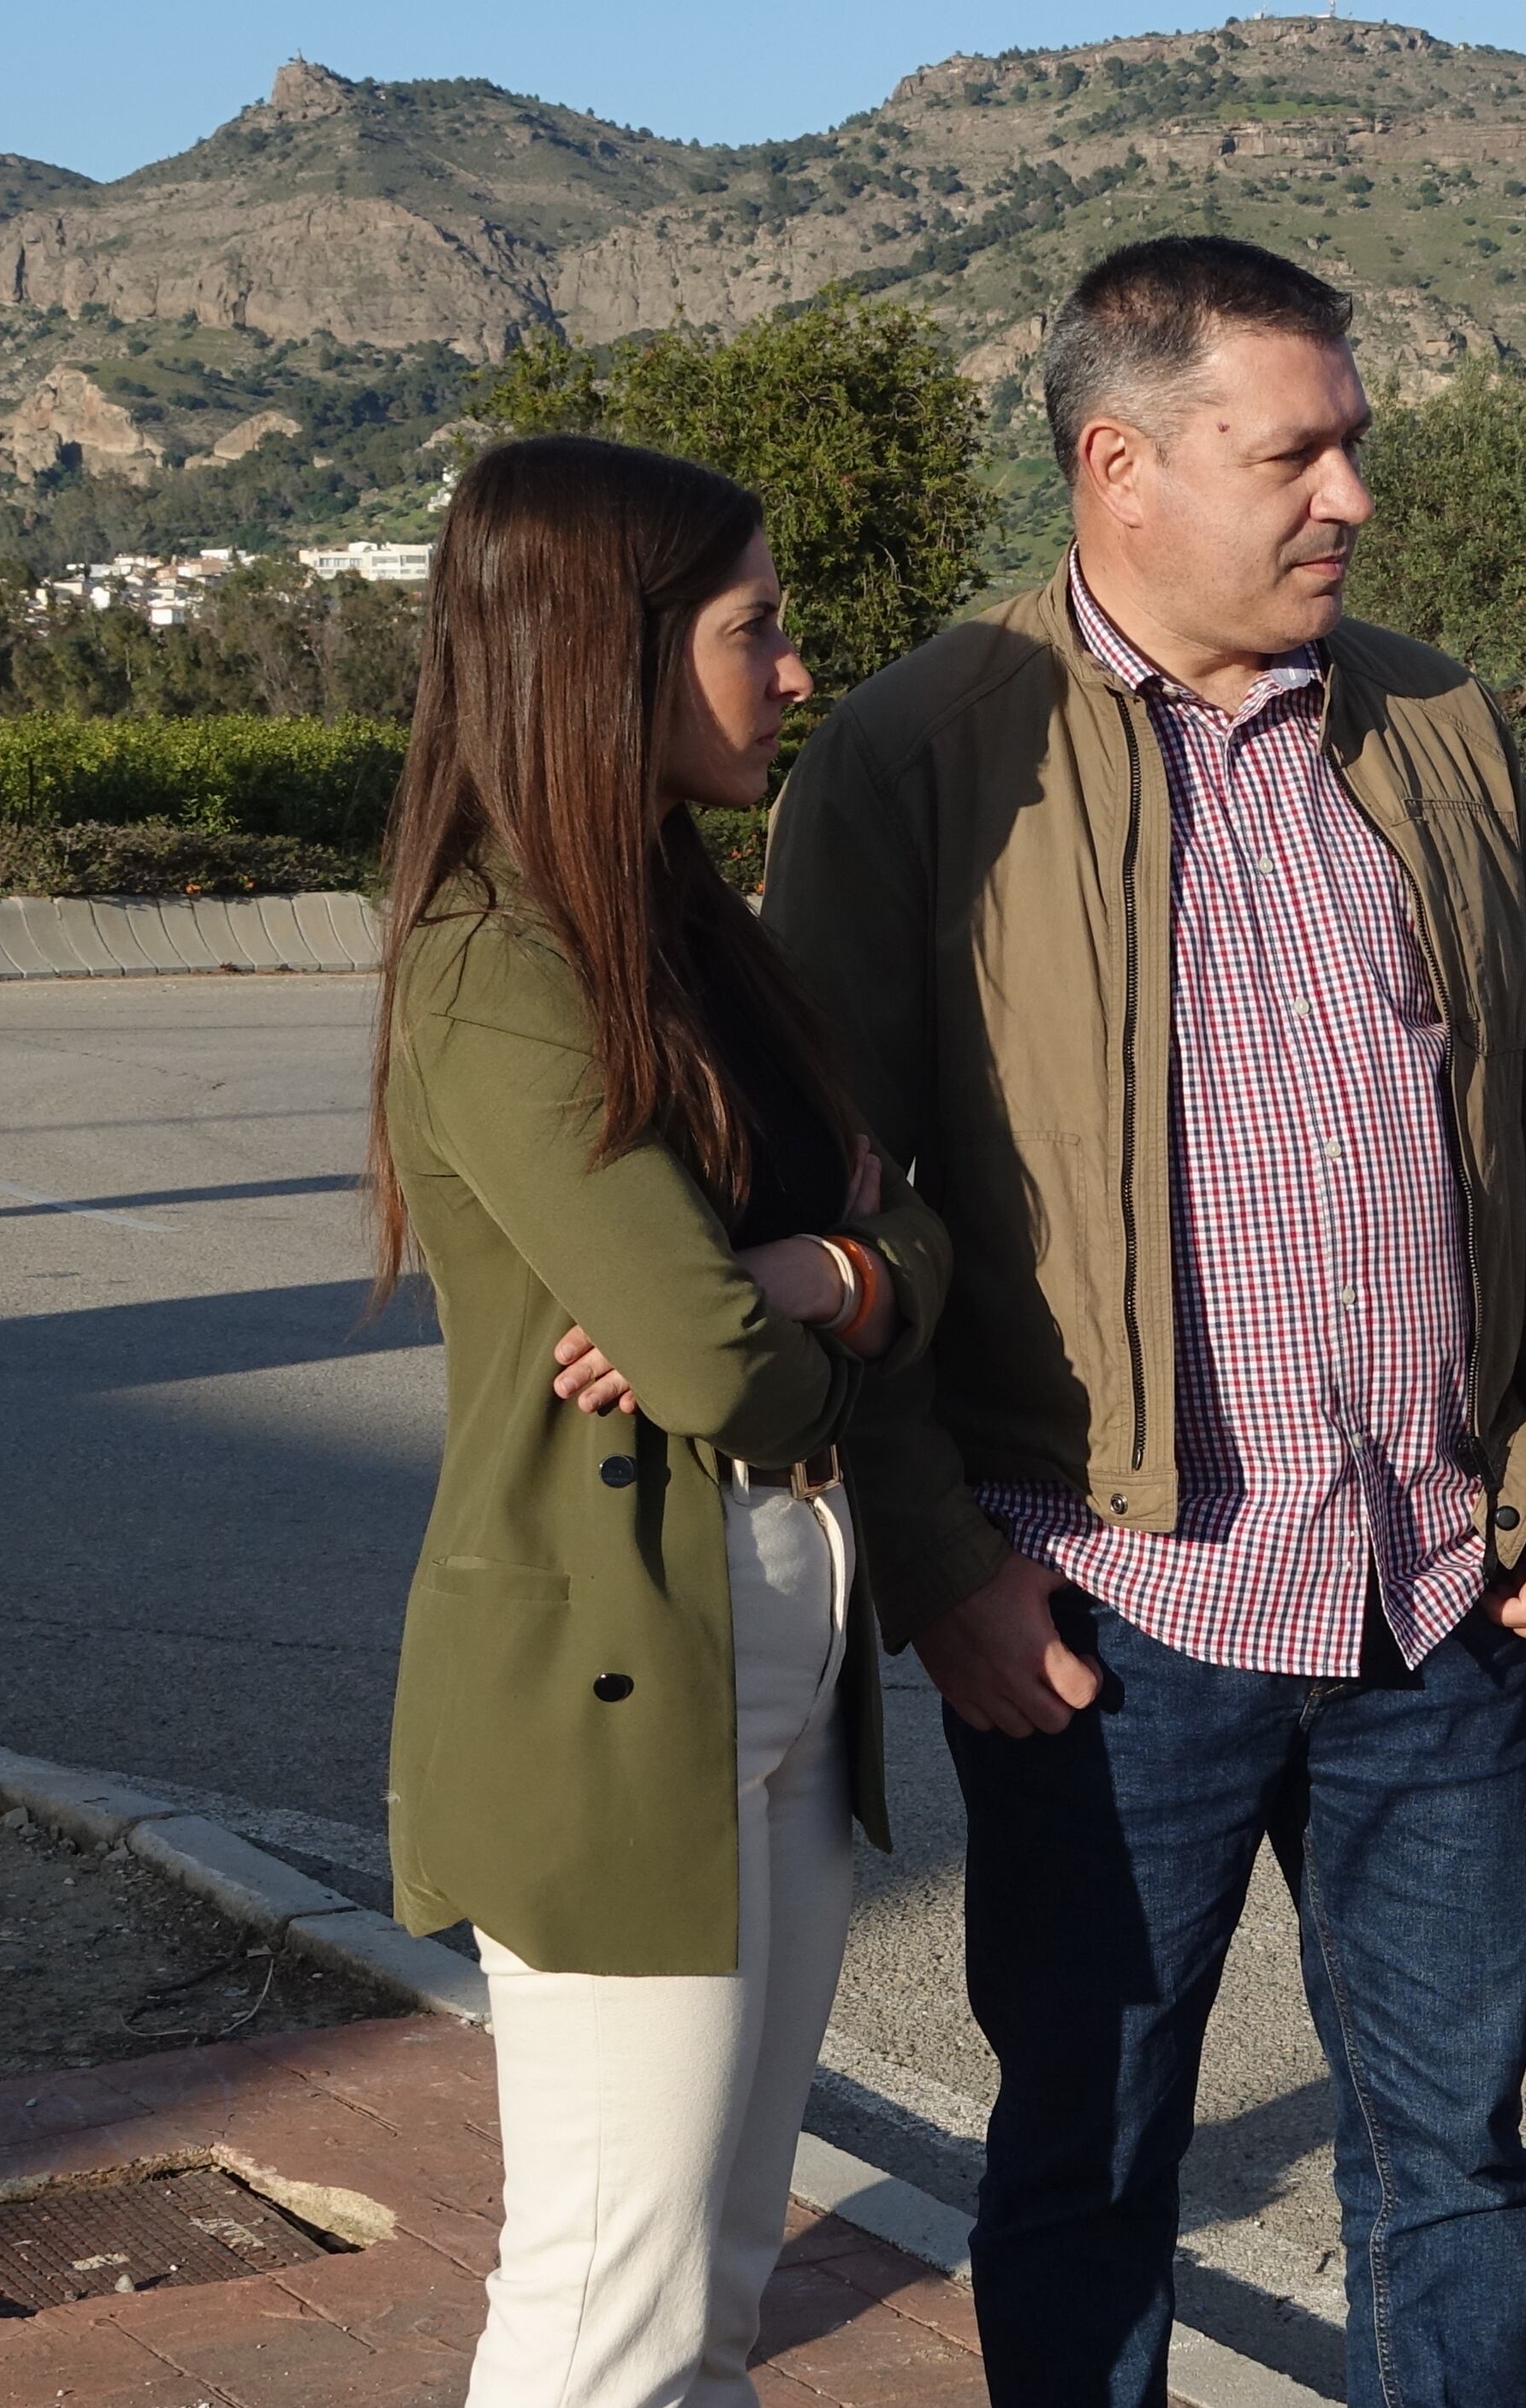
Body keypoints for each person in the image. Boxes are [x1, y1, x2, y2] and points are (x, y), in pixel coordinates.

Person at [757, 234, 1526, 2408]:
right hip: (1103, 1620)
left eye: (1356, 447)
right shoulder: (918, 756)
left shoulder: (1435, 726)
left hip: (1434, 1601)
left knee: (1456, 2168)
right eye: (1300, 451)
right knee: (1088, 2168)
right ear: (1119, 463)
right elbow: (835, 1199)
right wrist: (946, 1572)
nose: (1350, 497)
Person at [363, 433, 948, 2408]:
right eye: (750, 629)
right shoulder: (495, 967)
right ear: (598, 657)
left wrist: (828, 1275)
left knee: (709, 2283)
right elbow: (706, 1372)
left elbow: (906, 1229)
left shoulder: (696, 935)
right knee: (607, 2297)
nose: (794, 671)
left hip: (771, 1681)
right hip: (619, 1697)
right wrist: (797, 1289)